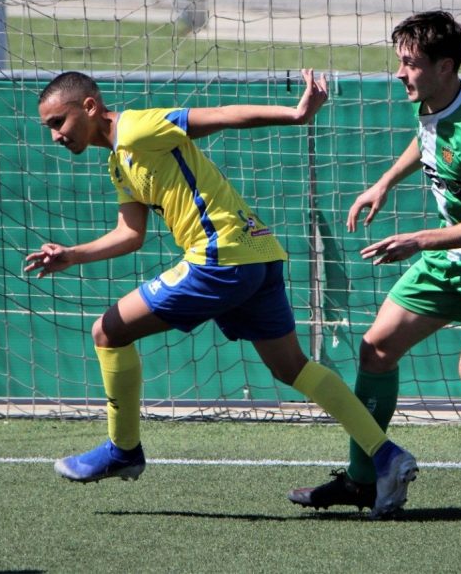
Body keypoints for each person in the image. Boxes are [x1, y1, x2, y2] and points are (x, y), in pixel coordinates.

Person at [24, 69, 418, 519]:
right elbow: (130, 234)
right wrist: (72, 255)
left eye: (59, 122)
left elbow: (222, 115)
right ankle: (386, 456)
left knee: (107, 330)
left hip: (219, 257)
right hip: (257, 254)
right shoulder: (118, 162)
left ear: (90, 107)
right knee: (292, 367)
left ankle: (123, 449)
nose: (56, 135)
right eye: (50, 128)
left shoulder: (135, 126)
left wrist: (295, 114)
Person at [288, 11, 461, 514]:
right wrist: (384, 183)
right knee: (375, 350)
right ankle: (364, 480)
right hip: (451, 258)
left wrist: (418, 241)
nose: (400, 73)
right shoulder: (430, 102)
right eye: (400, 62)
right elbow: (427, 140)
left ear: (446, 66)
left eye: (410, 64)